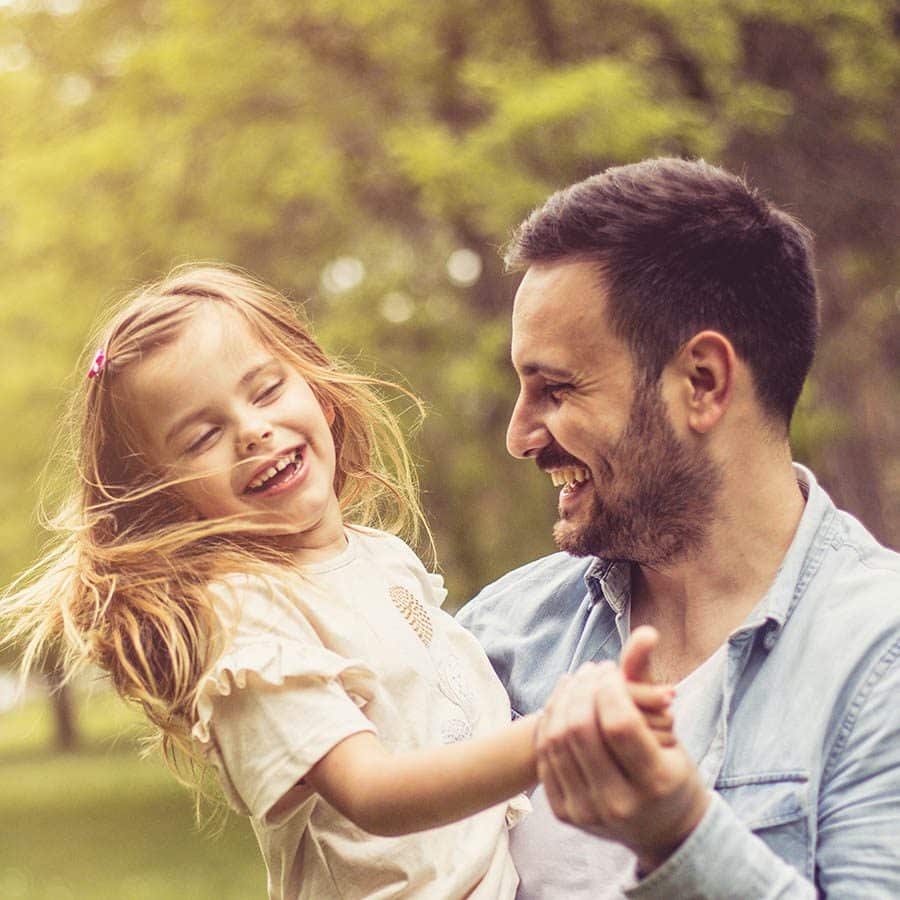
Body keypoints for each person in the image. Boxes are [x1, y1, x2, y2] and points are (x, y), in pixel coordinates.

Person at [2, 265, 674, 900]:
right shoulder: (248, 623)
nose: (252, 430)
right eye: (203, 435)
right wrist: (550, 739)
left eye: (265, 390)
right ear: (168, 497)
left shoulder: (378, 558)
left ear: (318, 393)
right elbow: (372, 793)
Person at [458, 157, 900, 897]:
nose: (520, 436)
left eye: (556, 388)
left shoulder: (880, 657)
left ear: (702, 383)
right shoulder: (496, 639)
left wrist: (677, 834)